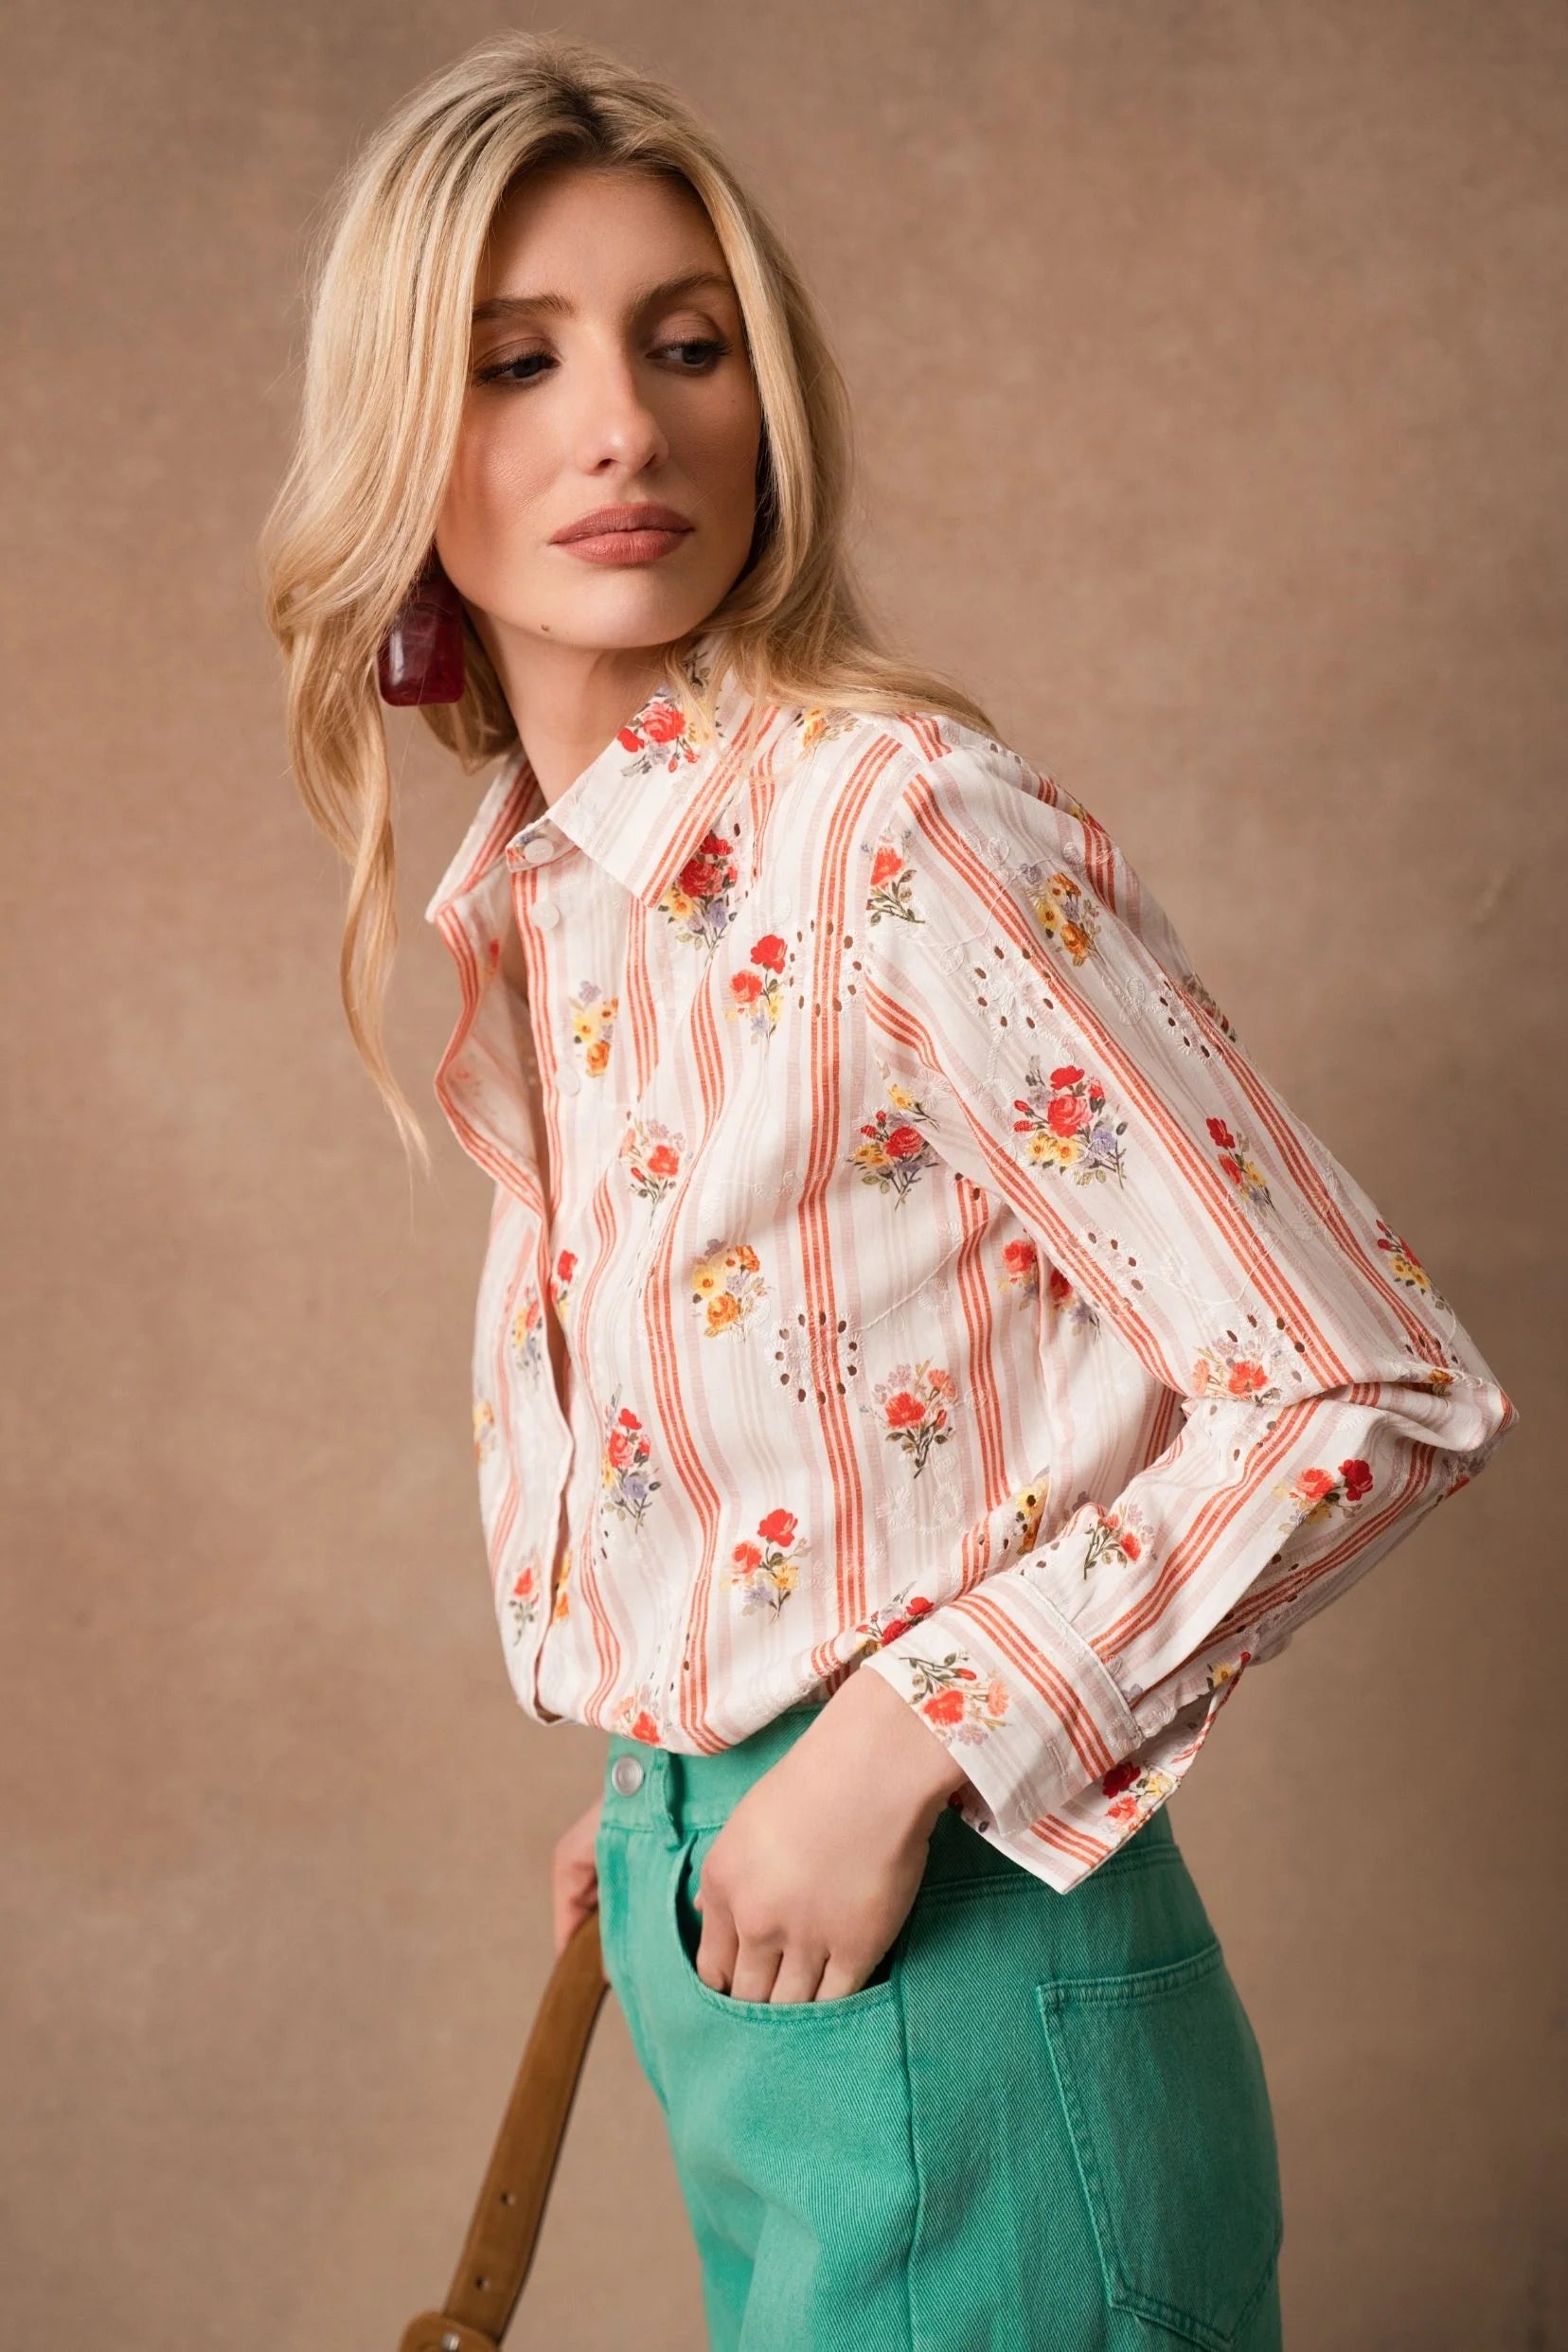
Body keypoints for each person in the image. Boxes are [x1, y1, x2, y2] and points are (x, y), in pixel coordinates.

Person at [259, 31, 1518, 2351]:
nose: (623, 426)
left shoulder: (884, 830)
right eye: (516, 362)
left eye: (686, 344)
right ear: (398, 446)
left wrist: (881, 1746)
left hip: (978, 1985)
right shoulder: (563, 893)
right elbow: (812, 1425)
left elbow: (1365, 1382)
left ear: (769, 407)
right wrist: (680, 1763)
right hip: (747, 1973)